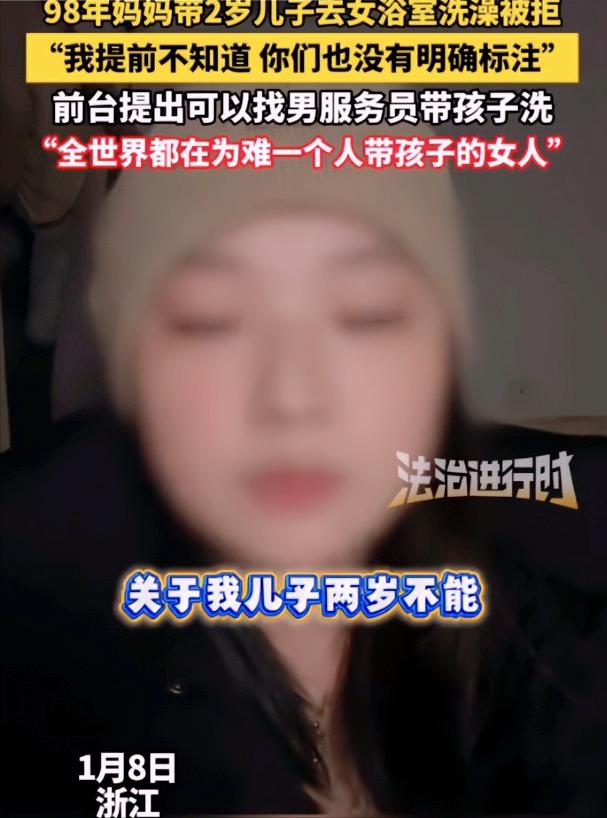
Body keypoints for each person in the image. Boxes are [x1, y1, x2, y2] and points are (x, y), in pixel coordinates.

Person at [2, 118, 606, 817]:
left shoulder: (541, 654)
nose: (293, 393)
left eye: (365, 314)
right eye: (212, 317)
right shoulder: (49, 626)